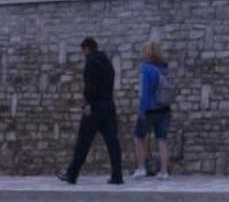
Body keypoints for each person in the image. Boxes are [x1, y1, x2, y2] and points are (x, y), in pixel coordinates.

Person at [57, 36, 125, 185]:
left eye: (83, 51)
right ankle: (117, 175)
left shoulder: (91, 62)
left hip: (95, 107)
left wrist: (86, 103)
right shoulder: (107, 62)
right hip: (108, 105)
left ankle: (72, 174)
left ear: (87, 49)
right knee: (112, 142)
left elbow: (90, 88)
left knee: (83, 141)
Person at [129, 42, 174, 180]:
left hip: (149, 110)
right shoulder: (164, 68)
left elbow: (144, 92)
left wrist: (141, 111)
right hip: (165, 109)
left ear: (147, 53)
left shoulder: (146, 69)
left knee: (139, 137)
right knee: (162, 140)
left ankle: (141, 168)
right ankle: (164, 171)